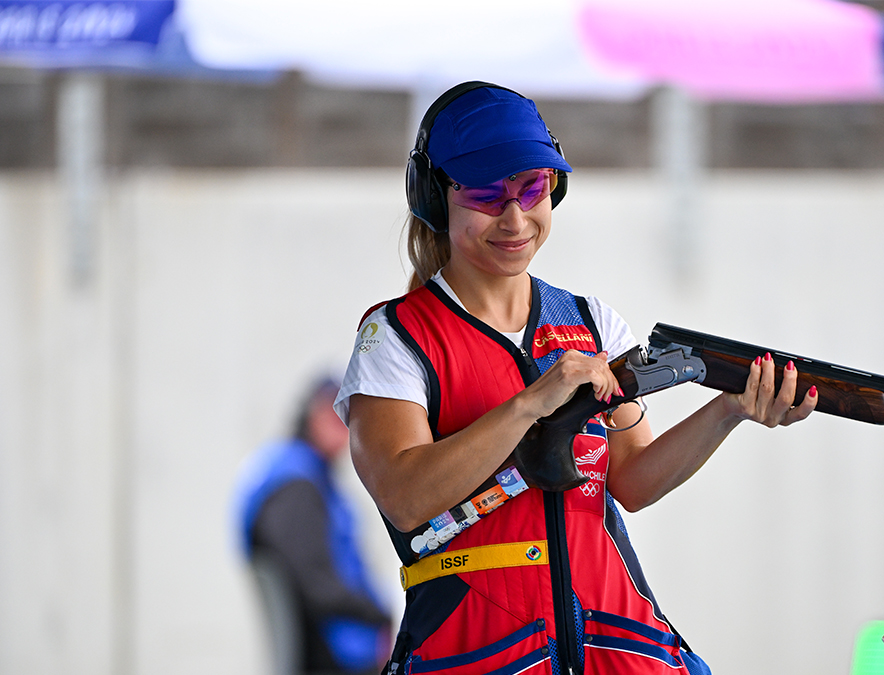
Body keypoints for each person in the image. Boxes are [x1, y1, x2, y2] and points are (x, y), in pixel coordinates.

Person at [334, 82, 818, 675]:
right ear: (436, 197)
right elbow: (405, 497)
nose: (514, 218)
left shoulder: (592, 324)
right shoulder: (397, 335)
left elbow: (633, 481)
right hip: (482, 652)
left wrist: (729, 410)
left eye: (532, 188)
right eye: (486, 193)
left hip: (619, 646)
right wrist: (529, 404)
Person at [236, 378, 392, 675]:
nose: (343, 424)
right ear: (313, 412)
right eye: (333, 410)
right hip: (331, 654)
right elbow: (318, 585)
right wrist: (383, 615)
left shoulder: (300, 473)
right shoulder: (296, 483)